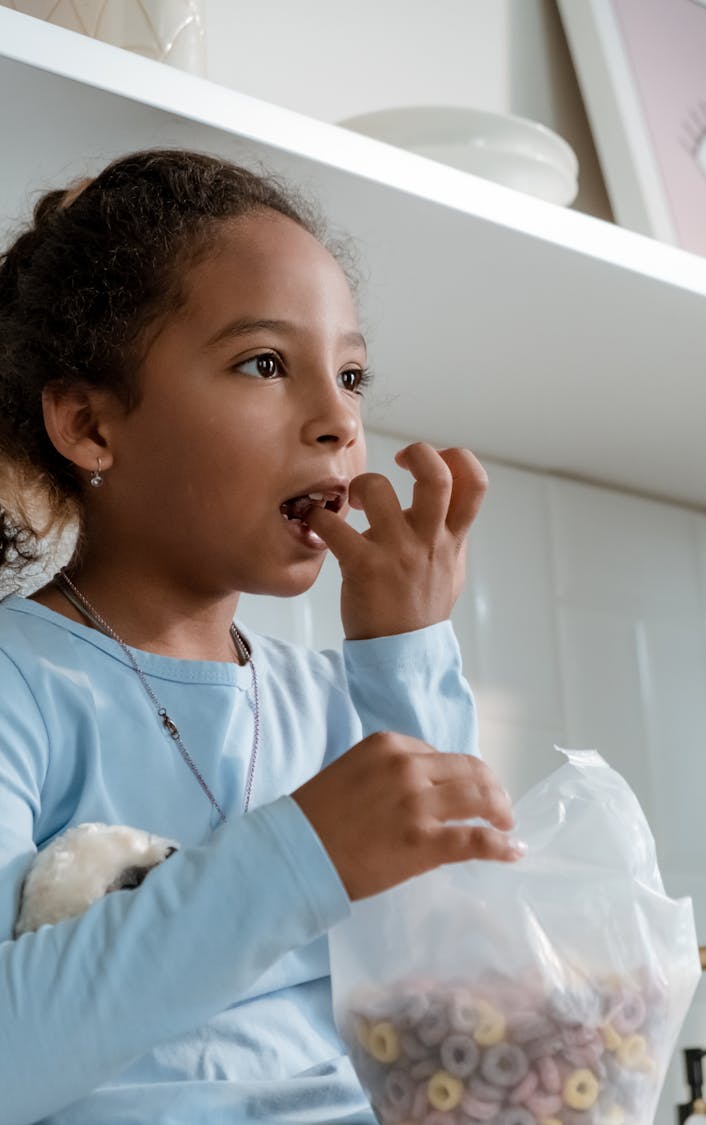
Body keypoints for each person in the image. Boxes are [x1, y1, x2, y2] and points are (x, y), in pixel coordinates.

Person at [0, 148, 523, 1125]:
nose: (337, 420)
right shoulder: (19, 684)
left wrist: (408, 656)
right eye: (265, 364)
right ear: (88, 425)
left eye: (354, 374)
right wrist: (301, 856)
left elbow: (474, 998)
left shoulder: (337, 701)